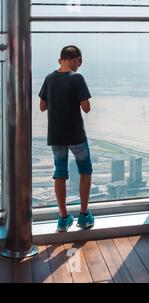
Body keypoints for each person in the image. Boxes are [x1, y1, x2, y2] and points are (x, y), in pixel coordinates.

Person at [39, 45, 95, 232]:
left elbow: (42, 106)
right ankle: (84, 216)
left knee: (60, 172)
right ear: (77, 60)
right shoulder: (77, 78)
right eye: (79, 63)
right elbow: (86, 107)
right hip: (76, 134)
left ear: (59, 60)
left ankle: (63, 219)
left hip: (56, 135)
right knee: (85, 170)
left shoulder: (49, 78)